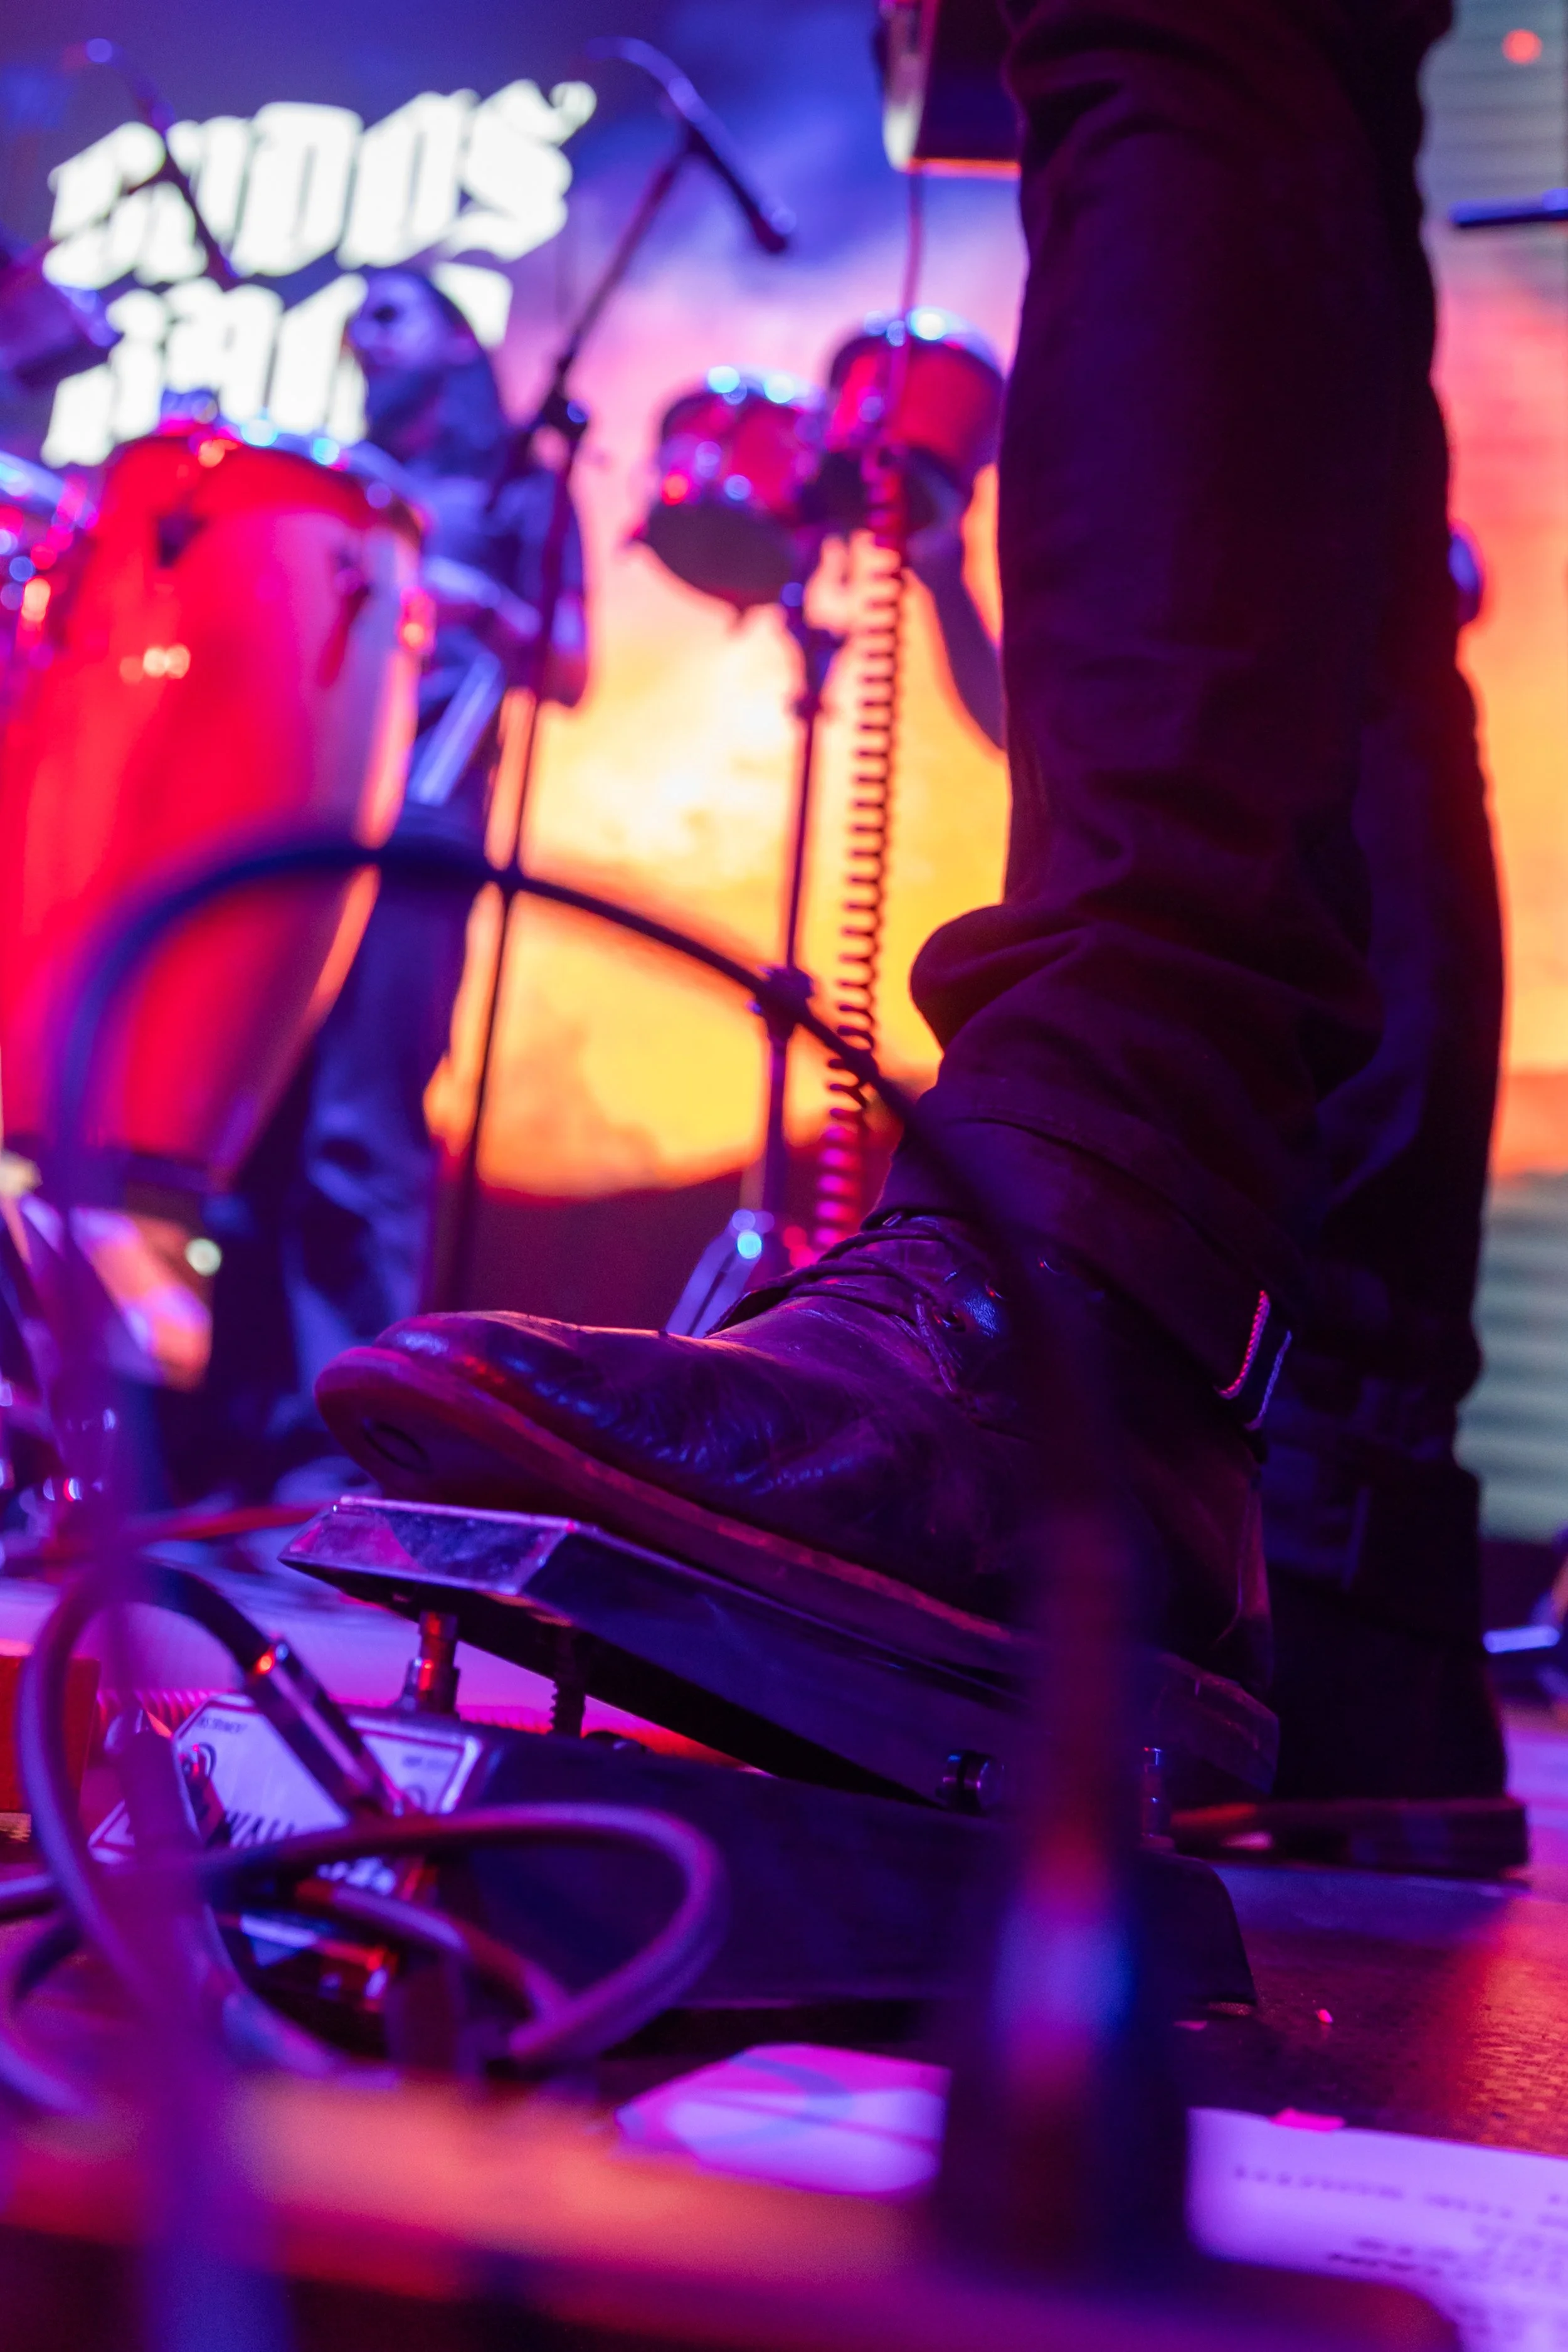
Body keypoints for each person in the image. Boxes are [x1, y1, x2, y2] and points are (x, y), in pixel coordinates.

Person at [312, 1, 1518, 1862]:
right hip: (1353, 1512)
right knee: (1335, 372)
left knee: (1172, 28)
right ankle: (1349, 1562)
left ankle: (1066, 1311)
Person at [164, 268, 587, 1503]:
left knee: (363, 1139)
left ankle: (332, 1455)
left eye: (392, 313)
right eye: (356, 316)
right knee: (241, 1130)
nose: (364, 333)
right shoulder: (331, 478)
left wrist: (470, 602)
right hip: (286, 821)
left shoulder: (514, 485)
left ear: (458, 343)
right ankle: (213, 1448)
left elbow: (567, 665)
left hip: (416, 828)